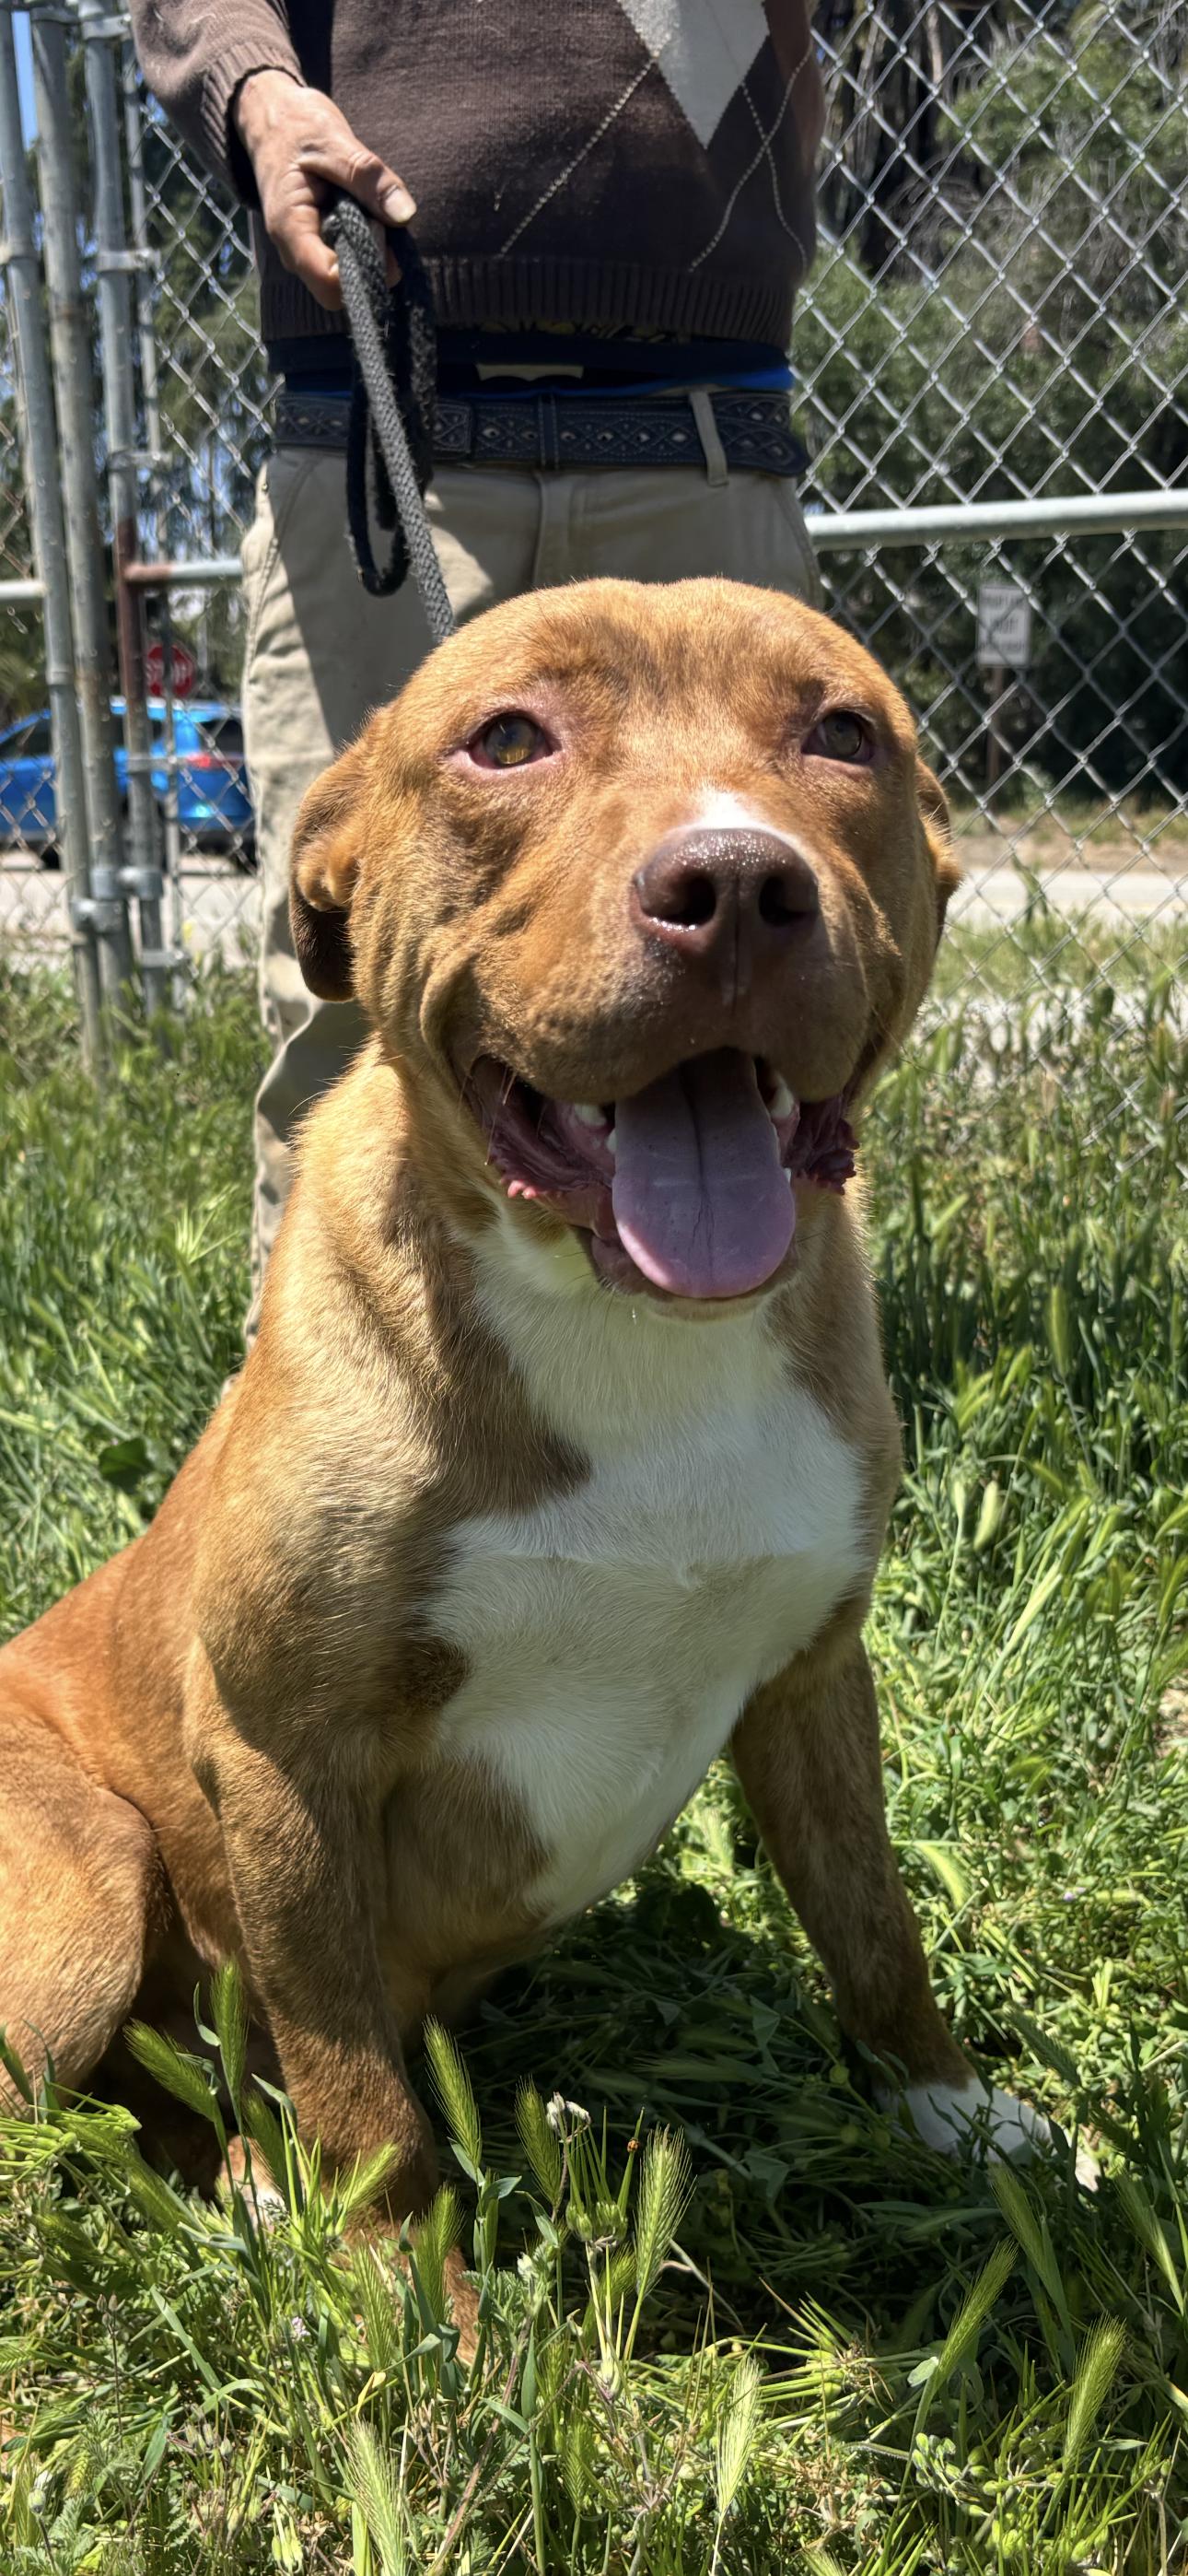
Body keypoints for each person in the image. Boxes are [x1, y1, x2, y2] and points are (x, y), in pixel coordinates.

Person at [129, 2, 826, 1339]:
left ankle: (721, 1449)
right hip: (381, 426)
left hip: (705, 422)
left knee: (758, 995)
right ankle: (335, 1471)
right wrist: (257, 92)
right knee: (348, 1001)